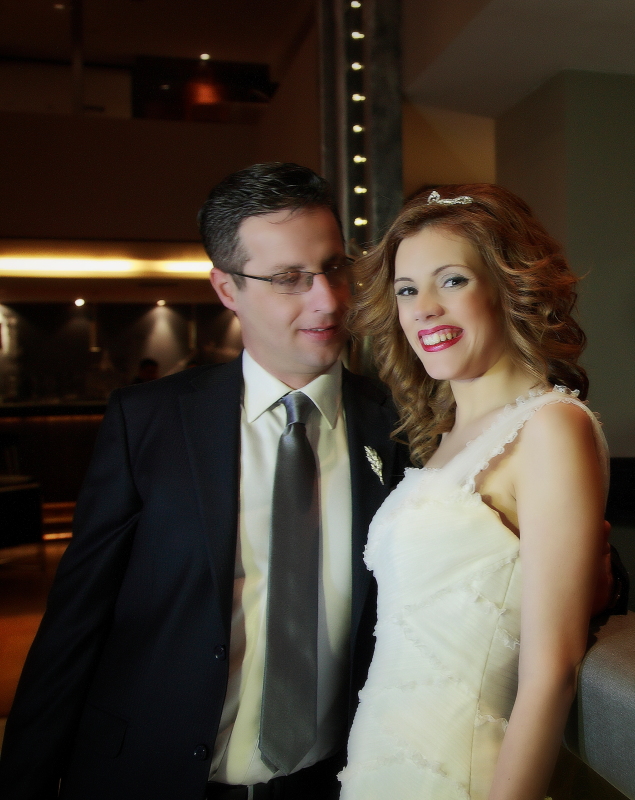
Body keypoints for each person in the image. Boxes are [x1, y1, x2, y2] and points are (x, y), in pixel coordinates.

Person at [0, 163, 406, 799]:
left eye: (333, 267)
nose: (328, 299)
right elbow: (75, 624)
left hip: (332, 784)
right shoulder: (149, 423)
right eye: (289, 278)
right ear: (226, 288)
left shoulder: (400, 425)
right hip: (152, 777)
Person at [337, 185, 608, 800]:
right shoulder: (444, 438)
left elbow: (552, 672)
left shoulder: (550, 429)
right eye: (407, 290)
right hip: (380, 765)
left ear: (508, 287)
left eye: (452, 281)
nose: (424, 309)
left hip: (462, 776)